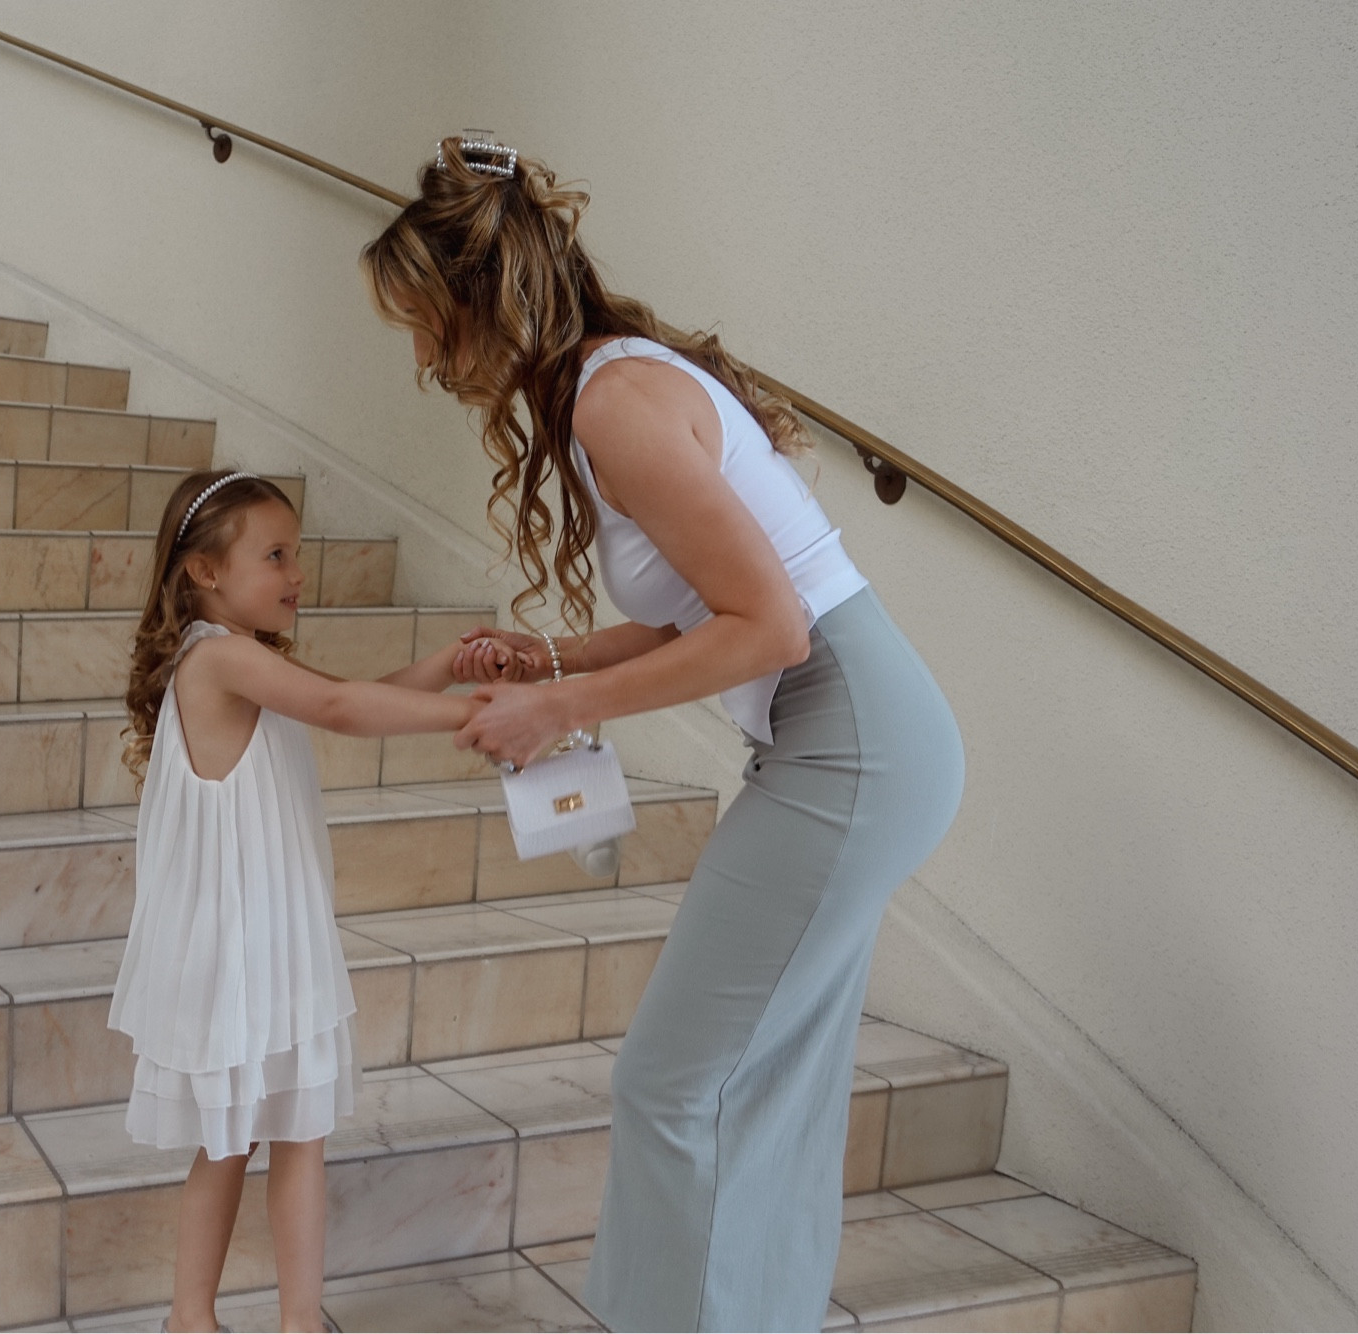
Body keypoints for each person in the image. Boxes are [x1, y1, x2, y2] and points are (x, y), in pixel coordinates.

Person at [364, 137, 968, 1332]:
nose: (425, 358)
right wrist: (551, 659)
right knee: (767, 1091)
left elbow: (772, 629)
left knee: (671, 1085)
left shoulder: (614, 401)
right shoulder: (615, 384)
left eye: (425, 322)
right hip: (859, 734)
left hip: (848, 739)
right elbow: (708, 614)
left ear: (482, 301)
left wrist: (559, 707)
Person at [109, 469, 486, 1334]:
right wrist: (478, 711)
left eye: (297, 555)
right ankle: (201, 1318)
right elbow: (342, 706)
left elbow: (348, 697)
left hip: (274, 941)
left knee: (282, 1136)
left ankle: (281, 1320)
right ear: (204, 572)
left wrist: (447, 669)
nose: (296, 574)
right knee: (239, 1141)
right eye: (275, 555)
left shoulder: (246, 658)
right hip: (243, 948)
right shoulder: (217, 657)